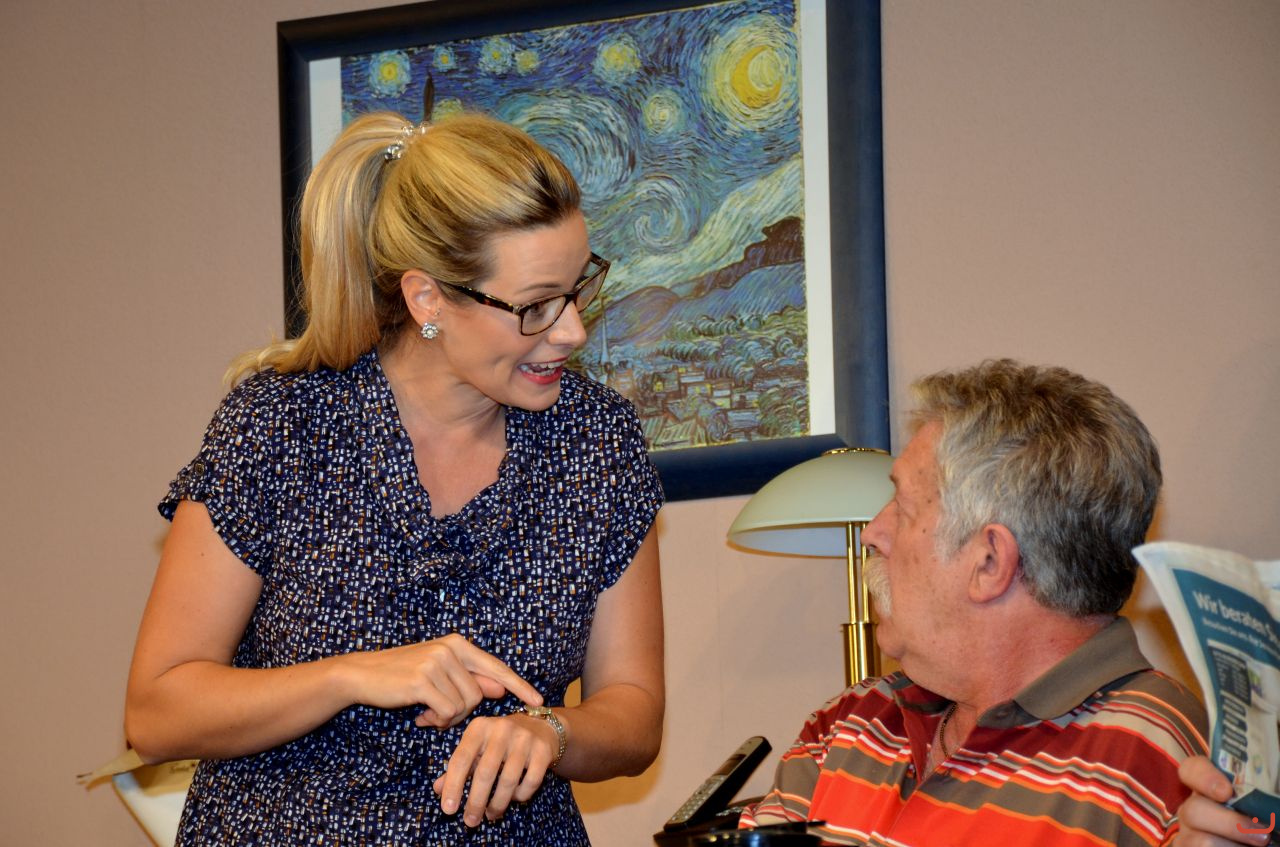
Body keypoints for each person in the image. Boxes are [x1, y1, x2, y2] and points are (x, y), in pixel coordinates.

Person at [124, 111, 665, 845]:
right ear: (427, 299)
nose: (572, 330)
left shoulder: (596, 443)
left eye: (578, 289)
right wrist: (349, 676)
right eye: (535, 306)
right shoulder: (281, 427)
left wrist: (550, 730)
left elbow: (634, 712)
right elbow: (156, 713)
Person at [741, 359, 1208, 846]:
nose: (872, 533)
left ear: (989, 562)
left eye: (903, 508)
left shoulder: (1155, 765)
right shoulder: (853, 720)